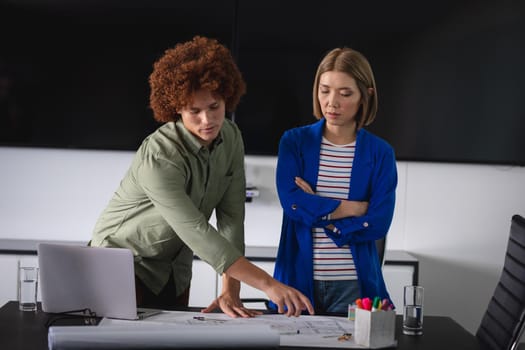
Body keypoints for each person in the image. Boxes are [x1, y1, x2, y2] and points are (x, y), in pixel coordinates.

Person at [90, 35, 313, 318]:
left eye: (214, 107)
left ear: (227, 100)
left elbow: (231, 219)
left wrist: (231, 290)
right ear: (176, 109)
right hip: (120, 264)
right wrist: (268, 285)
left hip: (175, 270)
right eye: (194, 111)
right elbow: (196, 230)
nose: (207, 120)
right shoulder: (159, 156)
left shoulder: (231, 138)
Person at [271, 47, 398, 314]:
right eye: (325, 89)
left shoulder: (380, 153)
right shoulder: (294, 142)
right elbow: (292, 203)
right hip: (296, 283)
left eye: (345, 93)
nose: (332, 102)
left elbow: (379, 222)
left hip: (354, 287)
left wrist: (316, 207)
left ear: (366, 95)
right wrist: (354, 208)